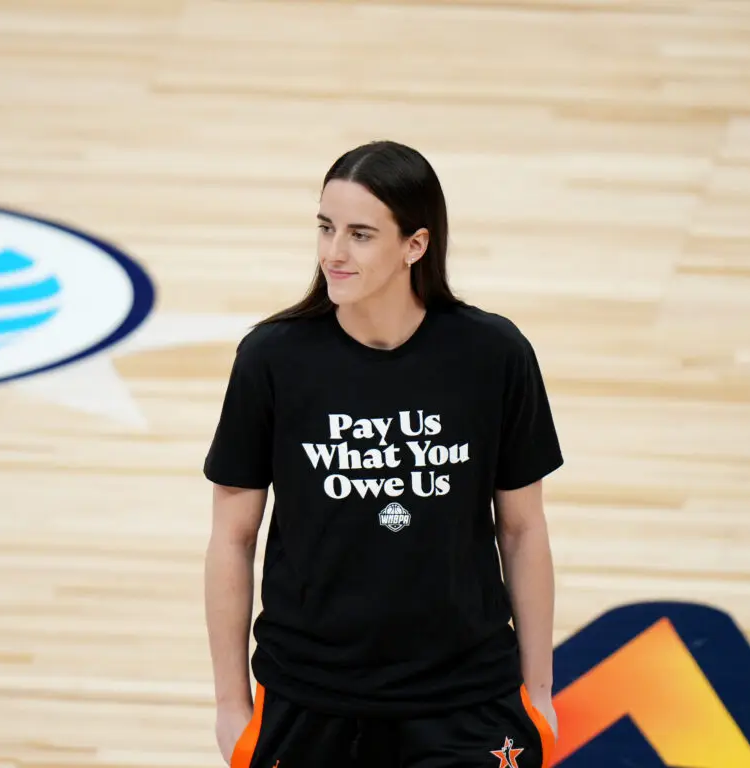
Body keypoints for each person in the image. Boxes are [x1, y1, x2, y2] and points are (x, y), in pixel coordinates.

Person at [203, 140, 563, 768]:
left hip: (466, 698)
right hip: (309, 699)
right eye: (325, 227)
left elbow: (524, 529)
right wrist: (231, 707)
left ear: (414, 245)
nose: (333, 253)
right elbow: (232, 536)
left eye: (361, 235)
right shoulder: (272, 360)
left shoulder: (492, 355)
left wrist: (538, 693)